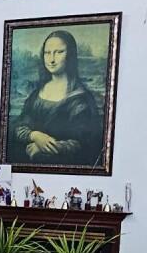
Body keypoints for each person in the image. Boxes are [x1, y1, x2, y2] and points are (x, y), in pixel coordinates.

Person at [8, 30, 105, 167]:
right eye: (47, 53)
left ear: (70, 55)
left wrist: (45, 147)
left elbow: (85, 143)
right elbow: (18, 126)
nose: (51, 59)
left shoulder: (81, 99)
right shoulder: (37, 93)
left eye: (59, 52)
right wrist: (35, 135)